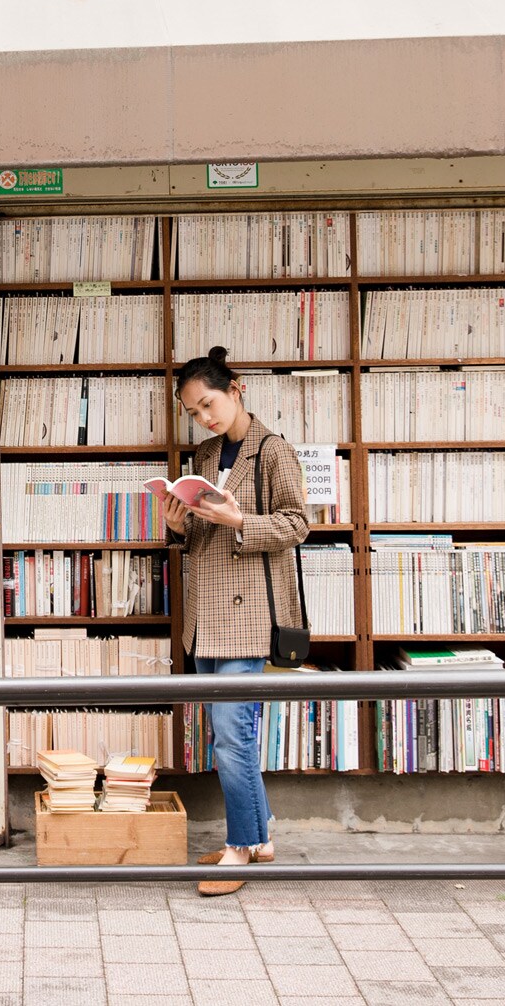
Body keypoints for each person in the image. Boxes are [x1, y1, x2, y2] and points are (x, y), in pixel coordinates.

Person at [164, 345, 308, 897]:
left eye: (209, 403)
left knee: (232, 738)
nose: (205, 417)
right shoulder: (203, 456)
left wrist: (239, 517)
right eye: (195, 411)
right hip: (205, 614)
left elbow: (298, 525)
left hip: (247, 616)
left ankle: (241, 846)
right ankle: (261, 837)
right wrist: (179, 525)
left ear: (235, 388)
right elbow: (202, 535)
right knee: (228, 733)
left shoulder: (272, 451)